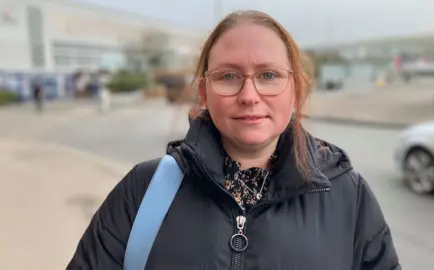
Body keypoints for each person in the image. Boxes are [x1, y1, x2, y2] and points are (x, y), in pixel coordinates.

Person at [67, 10, 401, 270]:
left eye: (268, 75)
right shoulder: (144, 189)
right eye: (228, 76)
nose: (249, 95)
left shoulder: (349, 197)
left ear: (296, 90)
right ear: (204, 93)